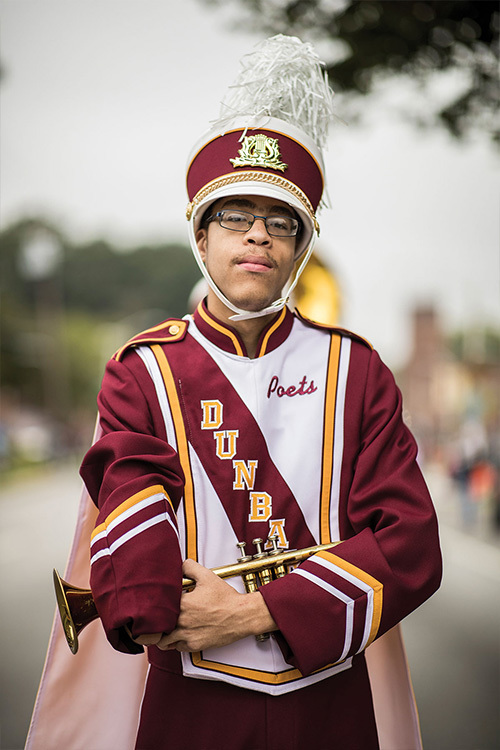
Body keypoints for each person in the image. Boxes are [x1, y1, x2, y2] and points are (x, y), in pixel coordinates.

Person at [27, 35, 441, 750]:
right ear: (200, 232)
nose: (258, 236)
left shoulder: (359, 370)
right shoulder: (143, 369)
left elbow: (412, 545)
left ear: (301, 244)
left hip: (330, 704)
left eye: (282, 221)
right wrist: (145, 599)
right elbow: (130, 496)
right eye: (235, 215)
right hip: (189, 702)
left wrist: (252, 612)